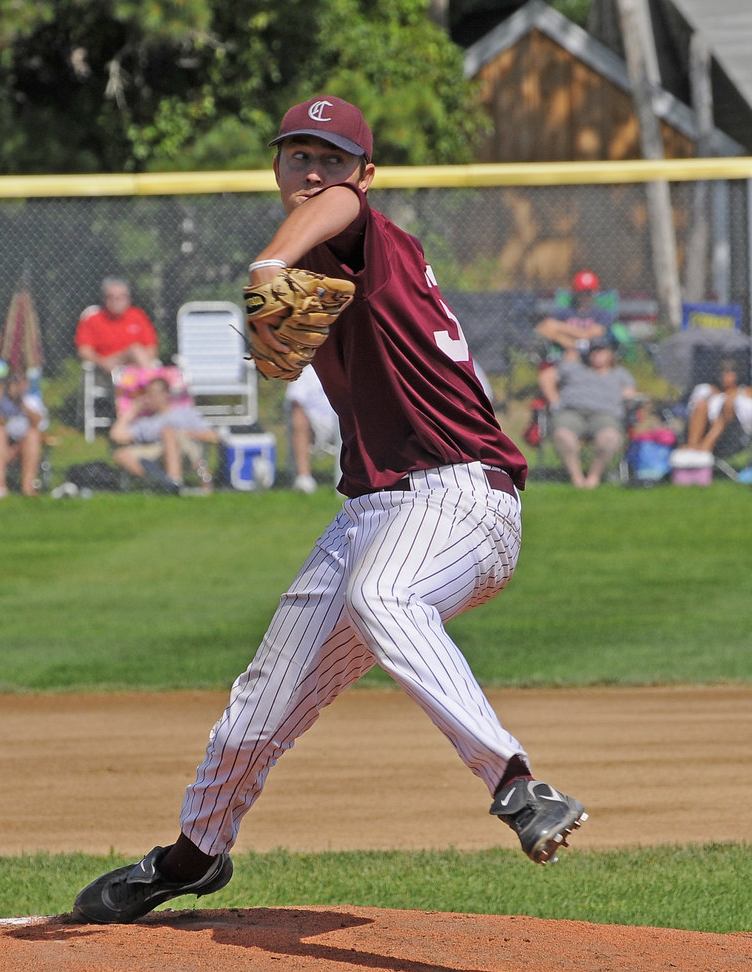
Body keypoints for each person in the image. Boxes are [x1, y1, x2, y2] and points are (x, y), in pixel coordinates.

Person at [73, 95, 587, 925]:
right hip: (368, 516)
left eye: (333, 159)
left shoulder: (371, 239)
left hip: (462, 498)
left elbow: (335, 211)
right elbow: (284, 358)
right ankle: (191, 858)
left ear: (364, 175)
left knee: (385, 596)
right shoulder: (323, 277)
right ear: (275, 167)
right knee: (254, 713)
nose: (313, 174)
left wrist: (269, 264)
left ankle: (516, 785)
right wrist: (281, 297)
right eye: (298, 157)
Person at [538, 336, 637, 488]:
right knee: (563, 435)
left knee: (610, 437)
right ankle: (577, 477)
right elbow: (546, 376)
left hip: (605, 415)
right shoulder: (574, 367)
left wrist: (633, 402)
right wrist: (554, 399)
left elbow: (630, 395)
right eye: (593, 351)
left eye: (601, 350)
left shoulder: (621, 374)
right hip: (571, 412)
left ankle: (593, 477)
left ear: (610, 353)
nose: (597, 354)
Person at [109, 375, 221, 494]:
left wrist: (183, 434)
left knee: (168, 433)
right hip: (157, 451)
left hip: (186, 448)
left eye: (153, 394)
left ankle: (175, 481)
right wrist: (133, 410)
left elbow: (214, 436)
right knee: (121, 454)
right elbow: (116, 436)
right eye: (147, 394)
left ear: (166, 394)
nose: (149, 398)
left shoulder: (185, 413)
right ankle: (161, 482)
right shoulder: (147, 422)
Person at [0, 367, 48, 499]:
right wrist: (0, 388)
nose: (18, 385)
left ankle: (27, 487)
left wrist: (21, 401)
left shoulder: (29, 400)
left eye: (22, 381)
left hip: (19, 449)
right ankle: (0, 487)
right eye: (15, 381)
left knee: (33, 436)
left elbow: (37, 423)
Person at [75, 277, 158, 372]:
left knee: (136, 350)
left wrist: (132, 366)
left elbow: (151, 348)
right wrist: (102, 362)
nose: (116, 301)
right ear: (104, 299)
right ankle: (153, 377)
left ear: (128, 299)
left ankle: (149, 376)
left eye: (121, 297)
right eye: (111, 297)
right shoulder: (93, 319)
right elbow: (84, 351)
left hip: (135, 365)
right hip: (106, 366)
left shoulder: (137, 315)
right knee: (135, 350)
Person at [534, 269, 615, 365]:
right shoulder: (566, 311)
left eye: (588, 292)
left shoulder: (602, 313)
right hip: (567, 353)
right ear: (575, 292)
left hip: (594, 355)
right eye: (581, 292)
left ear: (594, 292)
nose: (584, 296)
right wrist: (576, 342)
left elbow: (591, 334)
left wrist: (558, 327)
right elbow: (543, 328)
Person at [677, 356, 752, 458]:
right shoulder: (712, 391)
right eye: (722, 371)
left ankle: (705, 447)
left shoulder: (744, 391)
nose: (725, 375)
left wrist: (730, 398)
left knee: (727, 405)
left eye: (729, 371)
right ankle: (692, 445)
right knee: (701, 404)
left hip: (732, 432)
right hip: (708, 426)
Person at [285, 364, 340, 493]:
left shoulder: (343, 368)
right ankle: (304, 479)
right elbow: (296, 402)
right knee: (299, 418)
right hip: (314, 425)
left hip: (343, 420)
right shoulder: (305, 373)